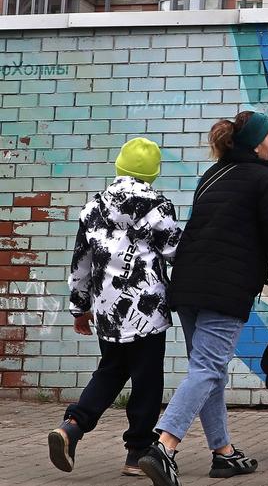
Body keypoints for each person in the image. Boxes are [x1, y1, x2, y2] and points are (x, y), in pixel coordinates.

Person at [138, 111, 268, 486]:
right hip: (225, 287)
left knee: (209, 369)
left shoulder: (212, 176)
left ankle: (223, 452)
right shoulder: (264, 179)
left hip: (190, 284)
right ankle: (164, 446)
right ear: (257, 142)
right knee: (209, 368)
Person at [48, 138, 180, 476]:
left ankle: (72, 426)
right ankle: (137, 453)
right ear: (153, 172)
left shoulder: (92, 208)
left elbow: (80, 264)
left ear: (119, 167)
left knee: (110, 371)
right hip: (146, 313)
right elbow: (175, 253)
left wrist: (80, 308)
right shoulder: (157, 207)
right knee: (147, 380)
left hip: (108, 311)